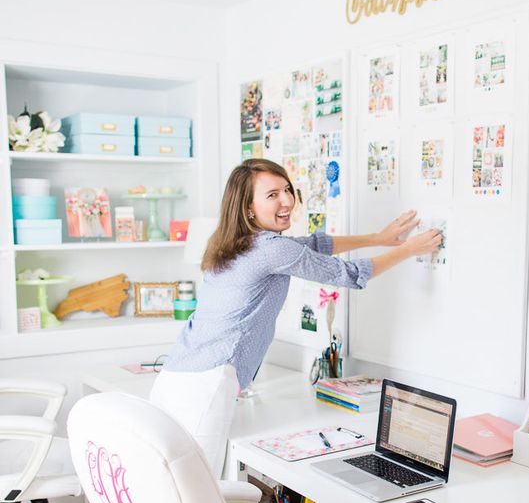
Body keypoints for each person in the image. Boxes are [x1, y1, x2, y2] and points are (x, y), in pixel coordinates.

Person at [150, 158, 442, 474]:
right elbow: (352, 274)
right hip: (204, 385)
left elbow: (313, 245)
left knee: (171, 483)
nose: (287, 200)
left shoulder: (231, 242)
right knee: (195, 488)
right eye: (272, 194)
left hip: (176, 375)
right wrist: (409, 249)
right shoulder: (270, 249)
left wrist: (378, 238)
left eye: (287, 189)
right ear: (248, 207)